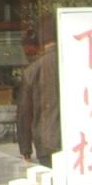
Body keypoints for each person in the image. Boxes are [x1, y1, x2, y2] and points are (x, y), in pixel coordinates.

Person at [17, 13, 60, 168]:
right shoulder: (74, 61)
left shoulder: (32, 71)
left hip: (46, 140)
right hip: (76, 138)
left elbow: (24, 113)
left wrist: (25, 148)